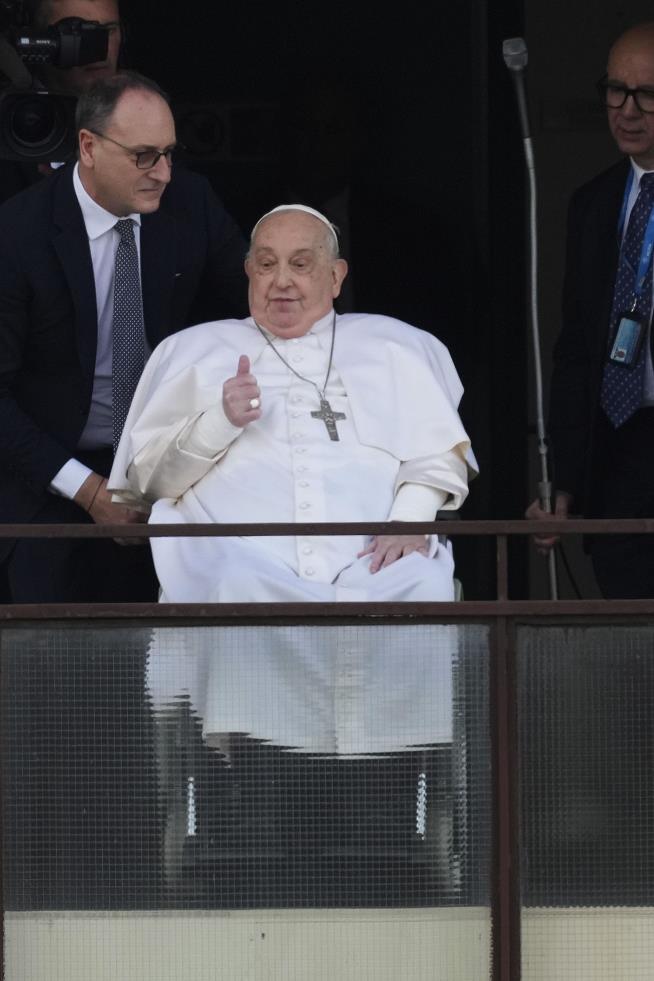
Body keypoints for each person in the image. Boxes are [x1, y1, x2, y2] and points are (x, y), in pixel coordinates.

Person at [109, 203, 476, 602]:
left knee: (422, 581)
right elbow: (148, 483)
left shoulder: (397, 345)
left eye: (300, 265)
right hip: (244, 564)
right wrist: (219, 421)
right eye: (266, 265)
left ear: (336, 276)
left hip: (375, 564)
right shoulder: (191, 350)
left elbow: (439, 455)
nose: (281, 280)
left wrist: (409, 520)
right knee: (234, 585)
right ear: (249, 271)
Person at [0, 70, 247, 604]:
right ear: (87, 147)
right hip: (47, 473)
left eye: (170, 153)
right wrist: (90, 492)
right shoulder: (18, 234)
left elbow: (263, 298)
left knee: (177, 653)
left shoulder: (191, 203)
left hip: (168, 466)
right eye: (144, 156)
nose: (163, 172)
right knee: (51, 659)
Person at [528, 22, 654, 598]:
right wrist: (565, 481)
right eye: (615, 90)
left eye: (647, 94)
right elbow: (576, 347)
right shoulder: (594, 201)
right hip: (618, 448)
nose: (627, 111)